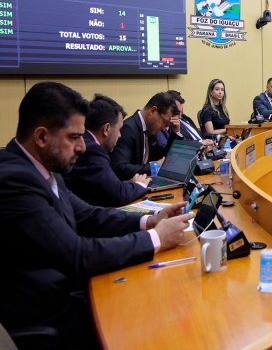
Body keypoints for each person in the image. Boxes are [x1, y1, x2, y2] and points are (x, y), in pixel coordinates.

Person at [0, 82, 192, 348]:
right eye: (74, 137)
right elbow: (77, 255)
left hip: (68, 294)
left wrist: (149, 220)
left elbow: (87, 215)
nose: (83, 146)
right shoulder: (14, 181)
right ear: (42, 137)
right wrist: (155, 239)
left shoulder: (43, 167)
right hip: (51, 316)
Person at [64, 94, 150, 206]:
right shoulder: (92, 150)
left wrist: (130, 185)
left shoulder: (87, 141)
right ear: (106, 129)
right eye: (119, 129)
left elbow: (110, 187)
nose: (120, 135)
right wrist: (139, 185)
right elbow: (117, 195)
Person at [111, 92, 180, 180]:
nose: (163, 129)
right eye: (165, 123)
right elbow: (120, 167)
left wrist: (175, 132)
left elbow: (161, 157)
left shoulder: (150, 129)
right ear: (153, 111)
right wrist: (153, 167)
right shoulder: (127, 129)